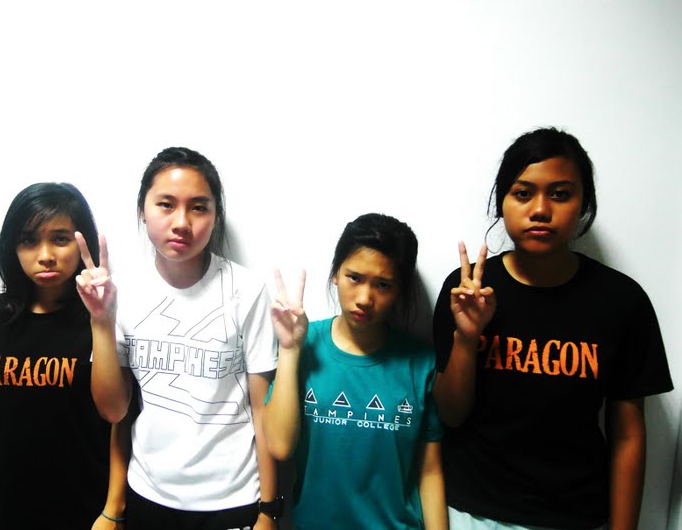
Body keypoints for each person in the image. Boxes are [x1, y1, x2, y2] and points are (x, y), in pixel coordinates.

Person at [432, 127, 674, 530]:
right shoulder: (468, 291)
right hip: (471, 513)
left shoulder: (621, 301)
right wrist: (467, 337)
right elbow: (450, 415)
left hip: (575, 517)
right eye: (523, 193)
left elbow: (628, 435)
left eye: (560, 194)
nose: (540, 210)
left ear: (583, 205)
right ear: (502, 201)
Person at [75, 146, 280, 529]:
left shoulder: (247, 290)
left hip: (233, 498)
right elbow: (114, 412)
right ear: (143, 209)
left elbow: (262, 409)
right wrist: (101, 322)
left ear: (216, 216)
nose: (182, 222)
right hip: (148, 495)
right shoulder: (120, 292)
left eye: (199, 208)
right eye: (166, 205)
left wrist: (269, 510)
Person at [0, 182, 127, 530]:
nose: (45, 254)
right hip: (7, 509)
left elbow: (119, 420)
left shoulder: (103, 319)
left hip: (87, 510)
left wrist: (113, 510)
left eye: (60, 239)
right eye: (29, 240)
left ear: (82, 242)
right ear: (12, 247)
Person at [264, 213, 447, 530]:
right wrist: (290, 350)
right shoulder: (304, 344)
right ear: (336, 273)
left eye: (383, 285)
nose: (364, 299)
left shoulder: (420, 363)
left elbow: (429, 471)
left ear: (400, 290)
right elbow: (279, 446)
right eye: (355, 278)